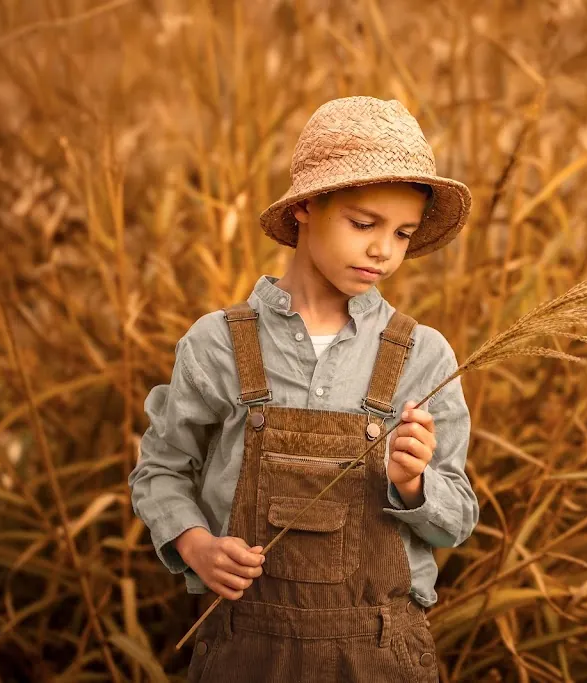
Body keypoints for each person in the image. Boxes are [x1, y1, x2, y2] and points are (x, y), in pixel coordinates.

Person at [128, 96, 479, 682]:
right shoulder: (218, 344)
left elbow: (457, 520)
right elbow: (161, 469)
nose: (383, 250)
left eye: (403, 233)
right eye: (363, 224)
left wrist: (414, 483)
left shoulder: (422, 355)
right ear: (305, 207)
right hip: (245, 652)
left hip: (379, 656)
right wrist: (196, 545)